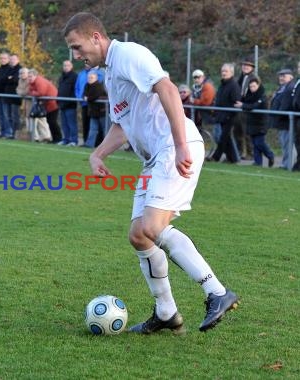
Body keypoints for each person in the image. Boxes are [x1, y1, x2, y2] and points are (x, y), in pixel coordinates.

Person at [63, 12, 239, 334]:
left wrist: (181, 144)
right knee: (139, 235)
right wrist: (98, 153)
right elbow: (123, 124)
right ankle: (167, 312)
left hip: (173, 148)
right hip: (154, 158)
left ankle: (216, 291)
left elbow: (168, 90)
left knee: (153, 226)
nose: (75, 56)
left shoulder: (129, 54)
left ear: (96, 38)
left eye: (77, 47)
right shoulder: (111, 75)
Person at [234, 76, 274, 167]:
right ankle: (258, 162)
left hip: (261, 123)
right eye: (251, 86)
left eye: (254, 86)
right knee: (255, 143)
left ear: (258, 85)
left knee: (259, 142)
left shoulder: (262, 96)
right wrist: (243, 102)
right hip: (252, 123)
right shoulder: (249, 95)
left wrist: (243, 105)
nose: (252, 88)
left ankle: (270, 155)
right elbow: (245, 102)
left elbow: (254, 106)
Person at [209, 63, 240, 163]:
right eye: (222, 71)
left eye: (226, 71)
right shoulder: (222, 84)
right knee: (226, 139)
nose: (223, 73)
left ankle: (216, 157)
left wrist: (229, 115)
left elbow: (236, 101)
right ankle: (233, 159)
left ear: (231, 72)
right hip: (221, 115)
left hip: (229, 116)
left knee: (223, 138)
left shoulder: (234, 85)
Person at [269, 68, 295, 170]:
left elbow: (285, 105)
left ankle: (287, 165)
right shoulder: (282, 87)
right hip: (282, 121)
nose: (281, 78)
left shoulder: (289, 87)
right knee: (285, 144)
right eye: (280, 75)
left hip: (286, 122)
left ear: (290, 77)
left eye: (284, 76)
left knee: (288, 145)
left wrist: (278, 115)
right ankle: (286, 164)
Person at [28, 68, 61, 143]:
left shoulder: (40, 81)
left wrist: (33, 93)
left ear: (35, 76)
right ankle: (55, 138)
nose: (29, 78)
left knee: (52, 121)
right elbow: (29, 90)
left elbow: (41, 92)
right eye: (28, 76)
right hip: (46, 104)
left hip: (53, 103)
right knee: (49, 121)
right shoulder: (32, 83)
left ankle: (58, 138)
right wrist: (33, 92)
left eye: (31, 76)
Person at [235, 57, 256, 159]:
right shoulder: (241, 77)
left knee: (247, 132)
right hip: (240, 108)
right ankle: (241, 152)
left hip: (248, 109)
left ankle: (250, 153)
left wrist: (244, 103)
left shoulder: (254, 79)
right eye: (244, 65)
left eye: (248, 65)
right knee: (239, 131)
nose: (245, 67)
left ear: (252, 68)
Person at [82, 69, 107, 148]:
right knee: (92, 129)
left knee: (105, 129)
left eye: (92, 77)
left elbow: (94, 96)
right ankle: (89, 144)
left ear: (96, 78)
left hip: (101, 111)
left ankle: (107, 146)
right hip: (93, 111)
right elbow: (84, 94)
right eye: (89, 77)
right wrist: (87, 97)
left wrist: (87, 98)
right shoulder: (87, 85)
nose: (90, 79)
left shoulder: (98, 86)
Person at [57, 60, 79, 146]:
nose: (66, 67)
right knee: (64, 124)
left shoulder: (74, 76)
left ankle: (74, 140)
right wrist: (58, 100)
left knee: (71, 123)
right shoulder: (61, 77)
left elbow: (75, 90)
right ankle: (66, 139)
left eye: (68, 65)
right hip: (62, 104)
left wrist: (71, 100)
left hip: (70, 104)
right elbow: (60, 89)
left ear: (71, 66)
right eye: (64, 65)